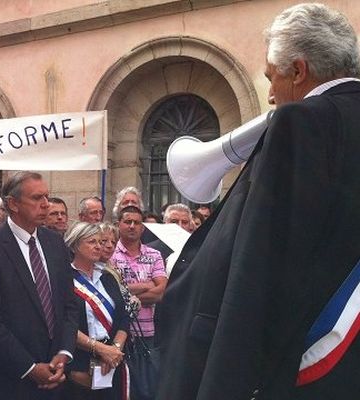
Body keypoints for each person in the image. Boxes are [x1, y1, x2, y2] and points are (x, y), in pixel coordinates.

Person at [154, 4, 360, 399]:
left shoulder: (301, 122)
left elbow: (256, 269)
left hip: (296, 373)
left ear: (299, 70)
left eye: (272, 77)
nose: (270, 96)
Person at [0, 171, 79, 400]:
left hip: (55, 374)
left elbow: (69, 304)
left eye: (47, 197)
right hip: (9, 380)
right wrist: (29, 368)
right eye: (37, 198)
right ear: (13, 204)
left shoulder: (55, 243)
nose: (46, 204)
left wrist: (64, 352)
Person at [62, 222, 129, 400]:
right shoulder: (63, 278)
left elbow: (123, 318)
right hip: (79, 360)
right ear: (75, 245)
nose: (99, 246)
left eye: (100, 242)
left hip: (112, 360)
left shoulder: (108, 277)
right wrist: (100, 349)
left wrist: (113, 350)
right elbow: (63, 324)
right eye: (92, 241)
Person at [110, 206, 167, 348]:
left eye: (137, 223)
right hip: (115, 330)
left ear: (142, 228)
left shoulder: (154, 255)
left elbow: (161, 292)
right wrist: (147, 285)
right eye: (128, 221)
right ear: (118, 225)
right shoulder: (109, 254)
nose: (132, 226)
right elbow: (111, 292)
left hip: (147, 332)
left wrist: (125, 297)